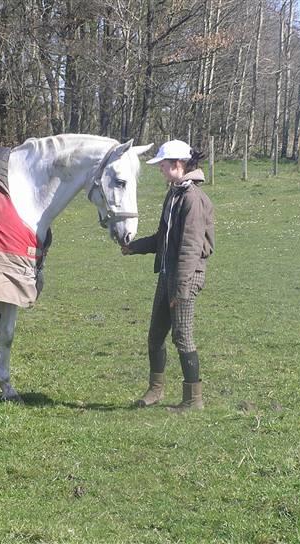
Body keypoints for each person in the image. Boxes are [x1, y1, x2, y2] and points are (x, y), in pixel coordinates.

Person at [122, 140, 214, 412]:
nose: (160, 169)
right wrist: (134, 247)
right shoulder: (174, 194)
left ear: (177, 165)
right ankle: (155, 390)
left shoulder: (192, 199)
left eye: (162, 165)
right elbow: (164, 238)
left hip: (185, 277)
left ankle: (193, 399)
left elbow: (190, 248)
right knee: (155, 336)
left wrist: (180, 289)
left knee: (182, 336)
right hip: (167, 275)